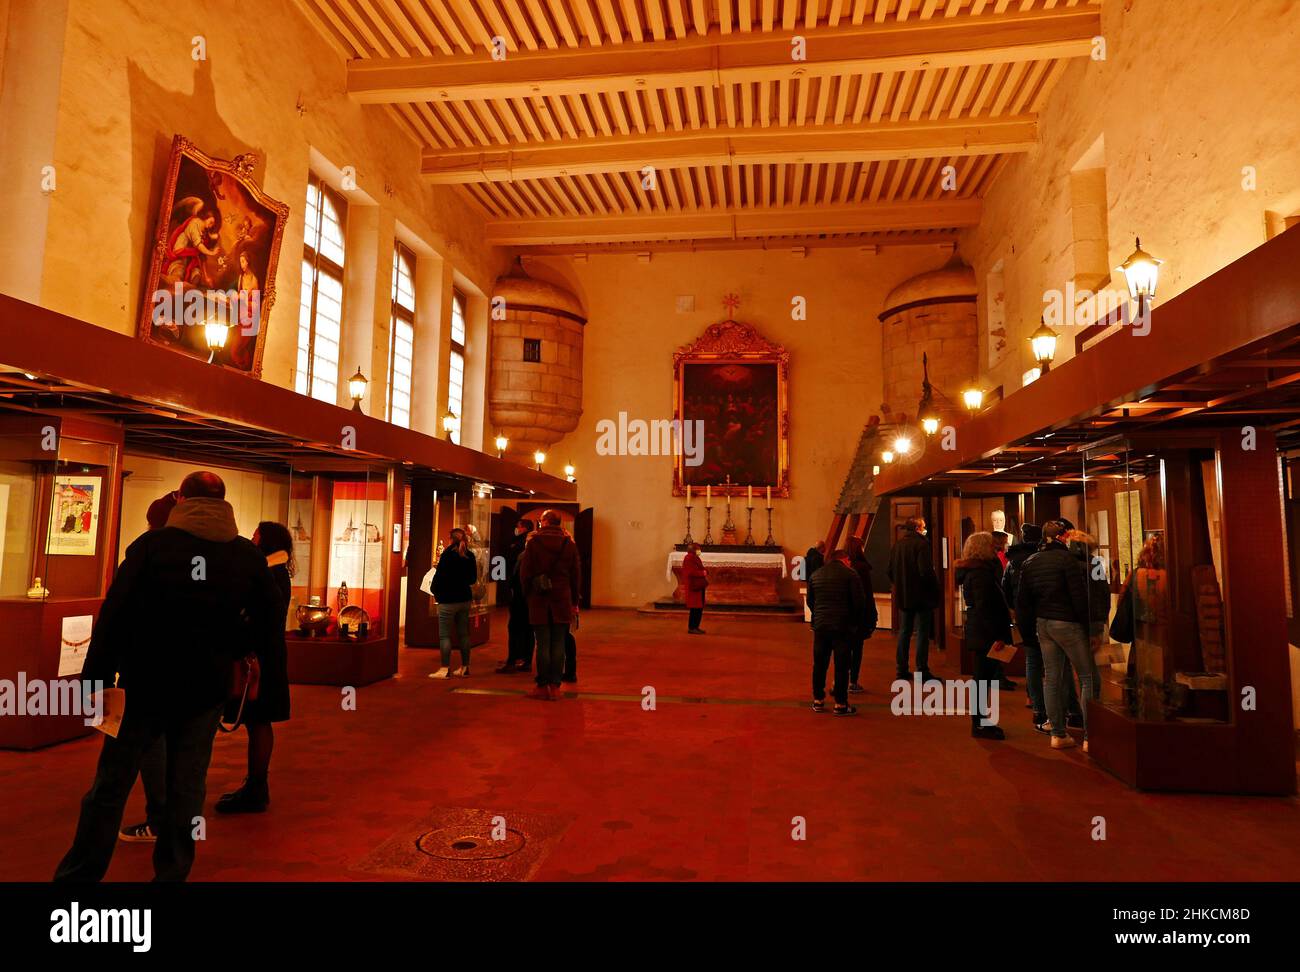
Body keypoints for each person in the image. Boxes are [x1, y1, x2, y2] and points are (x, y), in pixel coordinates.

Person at [54, 471, 280, 882]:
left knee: (110, 786)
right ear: (223, 502)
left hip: (144, 684)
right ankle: (172, 875)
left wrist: (95, 682)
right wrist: (241, 653)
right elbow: (267, 622)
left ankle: (79, 877)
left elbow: (114, 617)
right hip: (206, 688)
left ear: (181, 498)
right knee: (187, 787)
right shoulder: (246, 556)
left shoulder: (151, 547)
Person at [215, 521, 294, 814]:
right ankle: (256, 785)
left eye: (256, 535)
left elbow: (259, 616)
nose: (251, 538)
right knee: (259, 720)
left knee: (258, 719)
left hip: (259, 656)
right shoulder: (275, 572)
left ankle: (256, 786)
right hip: (266, 654)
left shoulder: (269, 574)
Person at [117, 490, 181, 844]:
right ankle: (174, 819)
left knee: (147, 747)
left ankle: (160, 819)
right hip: (189, 673)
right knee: (178, 747)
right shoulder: (201, 553)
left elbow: (121, 613)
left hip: (147, 669)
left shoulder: (144, 552)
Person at [1015, 519, 1093, 752]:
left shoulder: (1031, 561)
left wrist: (1028, 631)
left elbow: (1023, 601)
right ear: (1062, 537)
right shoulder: (1067, 560)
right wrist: (1087, 628)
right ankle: (1091, 735)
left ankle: (1057, 734)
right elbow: (1078, 597)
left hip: (1043, 623)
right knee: (1087, 677)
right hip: (1068, 622)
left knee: (1052, 677)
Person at [519, 510, 582, 701]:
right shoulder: (568, 544)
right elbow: (576, 575)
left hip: (539, 599)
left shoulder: (534, 543)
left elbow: (525, 572)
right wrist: (574, 602)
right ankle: (555, 686)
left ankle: (541, 685)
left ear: (544, 523)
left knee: (542, 644)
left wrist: (527, 595)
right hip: (562, 598)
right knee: (558, 644)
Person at [957, 533, 1011, 740]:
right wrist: (996, 635)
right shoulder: (980, 574)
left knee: (984, 678)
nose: (995, 547)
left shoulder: (977, 571)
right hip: (985, 632)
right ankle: (979, 723)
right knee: (982, 679)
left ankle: (981, 720)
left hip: (982, 630)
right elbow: (985, 607)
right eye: (990, 544)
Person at [806, 548, 866, 715]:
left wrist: (819, 615)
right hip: (842, 627)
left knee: (819, 664)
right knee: (841, 666)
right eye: (849, 561)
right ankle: (840, 703)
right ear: (845, 559)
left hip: (821, 626)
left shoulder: (816, 575)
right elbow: (859, 603)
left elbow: (811, 601)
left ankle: (818, 700)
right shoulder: (851, 575)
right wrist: (854, 623)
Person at [888, 516, 941, 683]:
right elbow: (925, 571)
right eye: (924, 526)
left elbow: (889, 570)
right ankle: (922, 670)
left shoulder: (898, 545)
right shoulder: (922, 544)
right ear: (918, 528)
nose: (925, 528)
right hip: (921, 596)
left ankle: (901, 669)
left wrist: (901, 584)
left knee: (904, 632)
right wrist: (935, 588)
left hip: (904, 595)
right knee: (922, 633)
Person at [430, 527, 477, 679]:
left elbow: (439, 576)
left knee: (445, 636)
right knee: (464, 634)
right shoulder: (469, 555)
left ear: (451, 539)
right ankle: (465, 667)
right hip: (464, 599)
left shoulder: (447, 555)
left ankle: (445, 669)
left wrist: (434, 591)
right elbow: (472, 579)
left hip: (447, 599)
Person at [496, 518, 535, 674]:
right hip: (530, 599)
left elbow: (517, 577)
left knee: (515, 628)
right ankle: (525, 660)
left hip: (520, 597)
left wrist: (509, 587)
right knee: (529, 629)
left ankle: (513, 660)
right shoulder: (538, 557)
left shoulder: (523, 555)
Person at [845, 535, 878, 693]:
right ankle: (853, 681)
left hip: (844, 614)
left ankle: (840, 680)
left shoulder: (844, 565)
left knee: (844, 649)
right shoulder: (862, 568)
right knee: (857, 649)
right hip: (859, 614)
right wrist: (872, 615)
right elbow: (867, 594)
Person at [681, 542, 708, 634]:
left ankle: (696, 626)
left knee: (699, 607)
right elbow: (690, 572)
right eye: (697, 549)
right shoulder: (688, 558)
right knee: (695, 607)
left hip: (698, 585)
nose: (699, 551)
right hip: (693, 586)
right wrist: (702, 573)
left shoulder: (695, 557)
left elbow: (699, 568)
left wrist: (705, 571)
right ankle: (692, 627)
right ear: (693, 550)